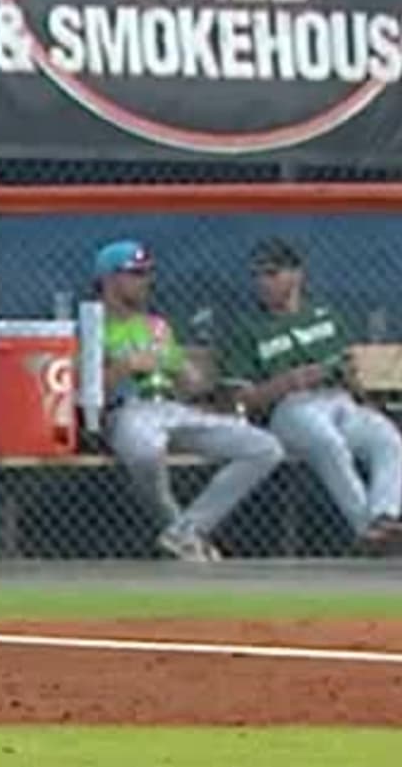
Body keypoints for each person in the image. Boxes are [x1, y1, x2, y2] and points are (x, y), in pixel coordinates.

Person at [216, 238, 402, 554]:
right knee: (329, 443)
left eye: (272, 274)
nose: (263, 282)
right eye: (258, 275)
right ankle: (368, 529)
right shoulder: (247, 328)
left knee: (387, 438)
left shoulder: (324, 316)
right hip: (289, 410)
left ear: (296, 275)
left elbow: (348, 371)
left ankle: (384, 518)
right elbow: (239, 400)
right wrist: (288, 381)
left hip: (339, 401)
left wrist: (349, 381)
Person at [91, 238, 285, 562]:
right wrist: (123, 367)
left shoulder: (157, 327)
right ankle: (179, 528)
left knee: (265, 448)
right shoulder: (92, 326)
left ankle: (185, 531)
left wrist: (187, 372)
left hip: (173, 409)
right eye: (135, 273)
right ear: (109, 279)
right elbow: (83, 396)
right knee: (145, 453)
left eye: (147, 273)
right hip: (127, 411)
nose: (145, 281)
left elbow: (192, 385)